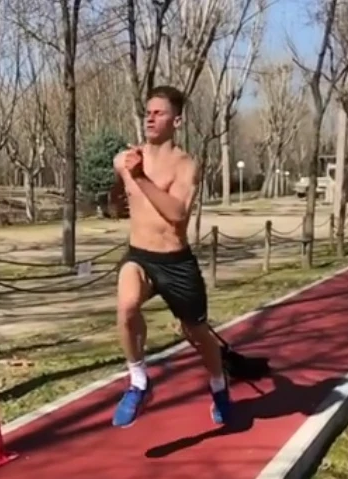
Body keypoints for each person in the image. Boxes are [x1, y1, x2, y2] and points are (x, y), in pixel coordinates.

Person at [107, 85, 231, 428]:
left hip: (175, 262)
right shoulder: (125, 159)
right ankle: (138, 381)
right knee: (127, 305)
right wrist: (118, 194)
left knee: (197, 334)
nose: (150, 117)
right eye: (148, 112)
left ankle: (219, 387)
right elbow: (116, 199)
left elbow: (177, 214)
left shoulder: (186, 165)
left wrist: (140, 177)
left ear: (177, 120)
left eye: (158, 112)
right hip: (139, 256)